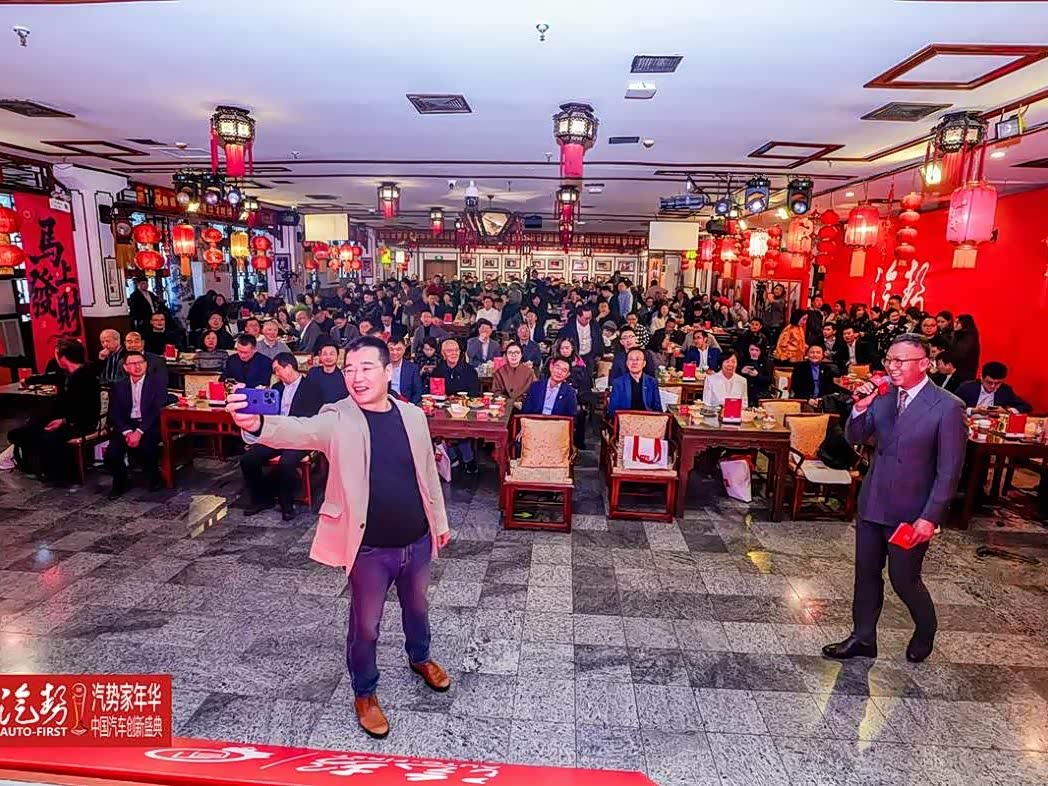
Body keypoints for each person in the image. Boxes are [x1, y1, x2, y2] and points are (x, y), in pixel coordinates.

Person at [226, 336, 451, 739]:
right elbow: (300, 430)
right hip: (369, 549)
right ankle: (365, 692)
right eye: (350, 369)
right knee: (366, 627)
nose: (356, 377)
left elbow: (427, 475)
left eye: (366, 368)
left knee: (418, 609)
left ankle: (420, 657)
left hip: (416, 541)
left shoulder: (413, 415)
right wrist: (257, 425)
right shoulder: (338, 417)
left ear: (388, 371)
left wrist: (440, 521)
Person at [824, 334, 966, 665]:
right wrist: (859, 409)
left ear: (924, 364)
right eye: (889, 360)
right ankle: (863, 637)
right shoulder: (884, 395)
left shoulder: (947, 407)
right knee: (866, 574)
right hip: (873, 500)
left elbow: (949, 471)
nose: (892, 367)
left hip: (911, 511)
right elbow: (856, 437)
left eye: (901, 361)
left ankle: (926, 628)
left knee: (904, 580)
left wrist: (930, 517)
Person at [239, 353, 322, 520]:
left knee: (287, 462)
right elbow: (269, 414)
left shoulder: (312, 388)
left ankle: (287, 505)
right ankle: (262, 499)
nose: (276, 374)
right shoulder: (276, 388)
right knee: (248, 459)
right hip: (276, 434)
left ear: (289, 367)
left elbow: (312, 418)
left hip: (300, 435)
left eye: (277, 369)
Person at [8, 340, 101, 482]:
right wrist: (28, 380)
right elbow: (49, 377)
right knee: (22, 431)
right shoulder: (66, 374)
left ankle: (56, 474)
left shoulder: (87, 377)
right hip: (62, 418)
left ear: (62, 357)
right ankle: (33, 466)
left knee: (45, 436)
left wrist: (64, 421)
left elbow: (89, 410)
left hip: (81, 422)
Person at [103, 350, 167, 499]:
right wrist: (127, 432)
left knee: (146, 448)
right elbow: (115, 412)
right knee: (112, 454)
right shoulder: (119, 385)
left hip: (148, 424)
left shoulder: (157, 382)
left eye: (140, 362)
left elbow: (156, 410)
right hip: (127, 425)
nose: (137, 366)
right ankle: (120, 481)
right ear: (125, 367)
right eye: (132, 363)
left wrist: (139, 432)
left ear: (146, 364)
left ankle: (154, 478)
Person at [954, 362, 1031, 413]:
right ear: (981, 377)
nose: (993, 386)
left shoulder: (1005, 390)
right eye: (989, 382)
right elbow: (952, 406)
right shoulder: (967, 387)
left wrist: (1006, 411)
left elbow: (1026, 406)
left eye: (997, 383)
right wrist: (973, 410)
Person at [607, 348, 662, 417]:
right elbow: (612, 410)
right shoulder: (618, 382)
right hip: (625, 419)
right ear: (627, 363)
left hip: (648, 419)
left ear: (644, 363)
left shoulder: (652, 382)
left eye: (637, 359)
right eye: (631, 359)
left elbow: (657, 408)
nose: (634, 362)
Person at [556, 303, 603, 367]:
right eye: (586, 318)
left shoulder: (594, 324)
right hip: (574, 358)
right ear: (578, 316)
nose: (588, 320)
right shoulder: (568, 329)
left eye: (590, 318)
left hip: (590, 357)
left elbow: (599, 339)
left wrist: (599, 354)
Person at [491, 341, 536, 405]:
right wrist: (509, 401)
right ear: (506, 355)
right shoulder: (500, 372)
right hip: (505, 404)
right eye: (510, 353)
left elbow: (535, 391)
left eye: (517, 352)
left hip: (524, 405)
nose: (514, 355)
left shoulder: (529, 372)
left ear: (521, 355)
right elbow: (496, 393)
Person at [307, 340, 350, 405]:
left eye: (331, 354)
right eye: (325, 354)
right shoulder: (313, 372)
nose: (328, 357)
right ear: (320, 356)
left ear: (338, 356)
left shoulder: (344, 376)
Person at [387, 338, 423, 405]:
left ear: (404, 349)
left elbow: (418, 391)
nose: (395, 353)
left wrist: (410, 405)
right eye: (391, 349)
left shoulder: (412, 368)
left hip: (405, 404)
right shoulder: (381, 366)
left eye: (398, 349)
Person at [739, 343, 773, 407]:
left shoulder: (767, 362)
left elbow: (768, 380)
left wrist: (757, 375)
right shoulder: (742, 360)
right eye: (752, 349)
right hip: (745, 390)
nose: (754, 352)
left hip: (760, 392)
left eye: (757, 350)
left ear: (761, 351)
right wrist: (741, 372)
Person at [950, 314, 981, 381]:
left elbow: (959, 354)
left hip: (965, 371)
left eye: (957, 323)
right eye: (955, 322)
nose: (955, 325)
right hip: (959, 370)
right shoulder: (958, 335)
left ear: (965, 324)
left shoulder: (969, 337)